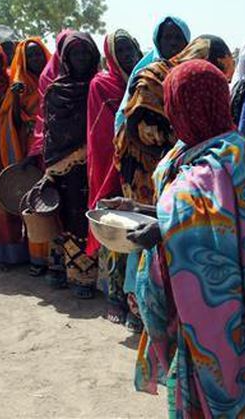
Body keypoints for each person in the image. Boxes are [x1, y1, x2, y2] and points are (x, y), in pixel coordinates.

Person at [133, 59, 245, 418]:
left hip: (220, 305)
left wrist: (162, 230)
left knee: (223, 380)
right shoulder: (225, 148)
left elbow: (200, 231)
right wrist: (139, 208)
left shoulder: (216, 162)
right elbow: (188, 213)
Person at [114, 35, 234, 331]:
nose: (172, 116)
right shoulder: (187, 147)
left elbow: (222, 224)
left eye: (176, 106)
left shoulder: (227, 159)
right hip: (181, 290)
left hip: (215, 301)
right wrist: (139, 207)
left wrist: (166, 227)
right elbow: (184, 208)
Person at [86, 30, 142, 324]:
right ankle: (114, 298)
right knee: (113, 230)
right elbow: (101, 135)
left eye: (131, 49)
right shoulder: (101, 84)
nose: (128, 57)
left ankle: (135, 299)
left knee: (136, 233)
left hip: (139, 168)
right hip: (111, 163)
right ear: (110, 55)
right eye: (121, 51)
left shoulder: (144, 78)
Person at [41, 32, 101, 298]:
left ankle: (85, 278)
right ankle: (62, 271)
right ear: (65, 58)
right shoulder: (56, 90)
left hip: (94, 165)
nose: (80, 58)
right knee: (65, 216)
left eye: (85, 53)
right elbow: (51, 132)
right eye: (75, 53)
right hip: (64, 168)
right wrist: (52, 169)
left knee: (86, 218)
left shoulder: (98, 86)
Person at [0, 37, 51, 270]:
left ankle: (55, 260)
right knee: (33, 201)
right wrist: (16, 98)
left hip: (54, 148)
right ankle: (37, 258)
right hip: (30, 149)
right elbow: (12, 121)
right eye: (31, 56)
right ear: (23, 59)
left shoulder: (53, 79)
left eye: (39, 54)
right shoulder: (19, 85)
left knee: (53, 200)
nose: (36, 59)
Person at [0, 40, 29, 267]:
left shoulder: (10, 82)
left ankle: (13, 253)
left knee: (9, 206)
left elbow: (17, 117)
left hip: (7, 154)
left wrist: (17, 97)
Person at [113, 15, 191, 134]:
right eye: (167, 37)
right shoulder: (146, 74)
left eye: (178, 37)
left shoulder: (194, 72)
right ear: (158, 42)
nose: (173, 43)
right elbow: (129, 119)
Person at [29, 29, 73, 159]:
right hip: (58, 141)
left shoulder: (89, 71)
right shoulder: (48, 76)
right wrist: (38, 146)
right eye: (63, 47)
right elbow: (44, 115)